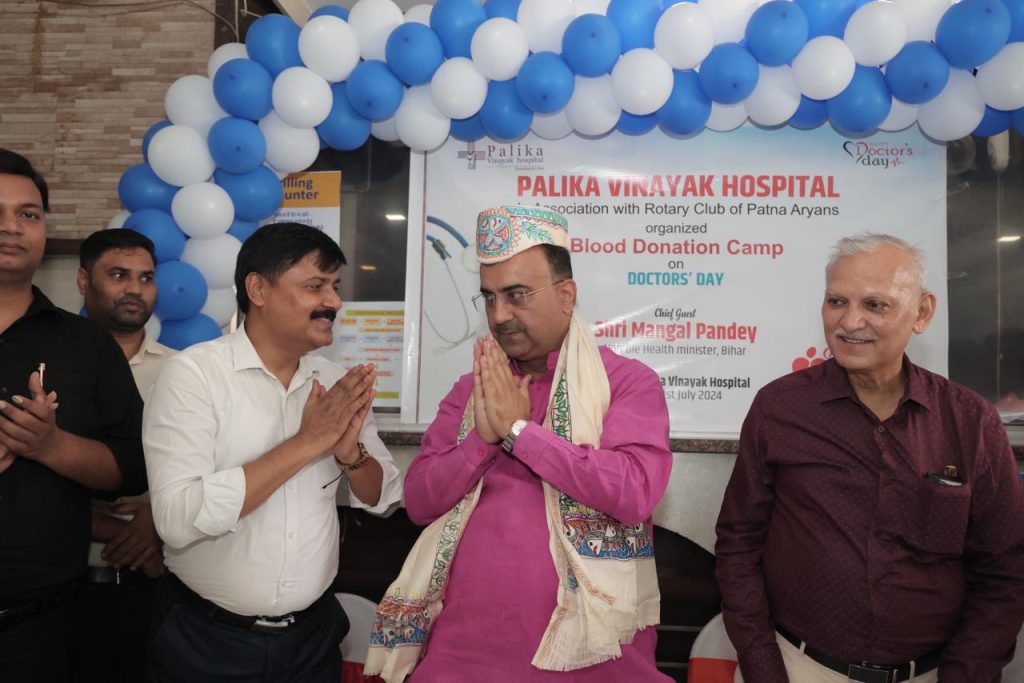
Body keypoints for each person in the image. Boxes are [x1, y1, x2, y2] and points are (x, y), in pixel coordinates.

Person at [366, 205, 673, 682]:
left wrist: (520, 433)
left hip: (593, 663)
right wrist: (482, 440)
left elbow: (633, 491)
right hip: (464, 660)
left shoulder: (625, 382)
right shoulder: (472, 391)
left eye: (516, 295)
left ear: (567, 294)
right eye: (489, 297)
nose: (499, 315)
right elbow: (421, 501)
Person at [715, 234, 1024, 683]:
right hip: (798, 668)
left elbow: (1005, 569)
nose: (849, 321)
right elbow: (738, 545)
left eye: (875, 305)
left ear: (922, 313)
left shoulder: (969, 421)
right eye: (836, 301)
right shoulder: (780, 409)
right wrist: (763, 667)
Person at [143, 221, 402, 682]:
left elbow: (382, 499)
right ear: (258, 289)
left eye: (335, 287)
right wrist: (308, 442)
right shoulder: (194, 376)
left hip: (313, 640)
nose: (333, 302)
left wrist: (350, 455)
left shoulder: (335, 383)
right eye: (315, 286)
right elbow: (177, 519)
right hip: (208, 641)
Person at [0, 148, 146, 681]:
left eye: (28, 214)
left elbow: (134, 467)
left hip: (43, 627)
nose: (12, 227)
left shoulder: (87, 345)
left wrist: (52, 446)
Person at [75, 228, 174, 683]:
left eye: (146, 277)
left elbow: (212, 469)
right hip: (63, 584)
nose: (135, 288)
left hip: (157, 585)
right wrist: (120, 529)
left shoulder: (185, 370)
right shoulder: (50, 363)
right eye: (118, 275)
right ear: (84, 281)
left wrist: (157, 519)